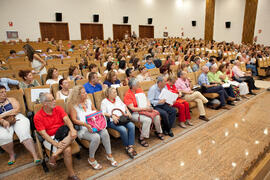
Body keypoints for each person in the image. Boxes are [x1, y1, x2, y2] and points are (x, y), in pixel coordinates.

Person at [68, 85, 117, 170]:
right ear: (78, 95)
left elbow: (95, 111)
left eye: (85, 92)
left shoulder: (88, 101)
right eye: (83, 93)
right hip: (83, 128)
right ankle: (91, 158)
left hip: (94, 125)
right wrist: (86, 125)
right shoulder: (73, 105)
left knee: (105, 132)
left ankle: (109, 154)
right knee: (96, 137)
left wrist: (102, 115)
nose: (86, 93)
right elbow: (74, 120)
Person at [34, 92, 79, 180]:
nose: (54, 101)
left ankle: (54, 155)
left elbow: (67, 119)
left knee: (73, 133)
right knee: (67, 149)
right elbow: (43, 134)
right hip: (50, 138)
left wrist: (72, 128)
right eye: (51, 100)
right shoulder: (37, 116)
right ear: (44, 103)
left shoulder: (58, 108)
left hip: (63, 134)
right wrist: (55, 143)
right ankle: (71, 175)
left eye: (54, 99)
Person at [0, 85, 40, 165]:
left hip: (17, 117)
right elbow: (12, 111)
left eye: (5, 91)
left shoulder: (11, 99)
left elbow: (17, 110)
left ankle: (35, 155)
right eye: (1, 92)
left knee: (24, 133)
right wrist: (2, 120)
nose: (4, 94)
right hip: (2, 122)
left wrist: (2, 115)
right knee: (3, 137)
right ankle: (11, 154)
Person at [124, 78, 164, 147]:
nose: (139, 85)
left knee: (156, 116)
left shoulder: (139, 90)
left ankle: (158, 131)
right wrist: (144, 108)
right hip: (135, 113)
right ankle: (142, 137)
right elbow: (132, 108)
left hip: (144, 109)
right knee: (147, 120)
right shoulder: (128, 95)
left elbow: (146, 99)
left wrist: (148, 104)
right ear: (133, 86)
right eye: (137, 84)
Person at [101, 87, 137, 158]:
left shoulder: (117, 98)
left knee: (132, 126)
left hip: (122, 118)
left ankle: (130, 146)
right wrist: (112, 116)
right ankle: (127, 147)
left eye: (116, 92)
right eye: (114, 92)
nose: (116, 94)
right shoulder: (104, 102)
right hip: (113, 121)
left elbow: (124, 106)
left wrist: (128, 112)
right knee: (123, 129)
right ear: (108, 94)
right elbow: (103, 113)